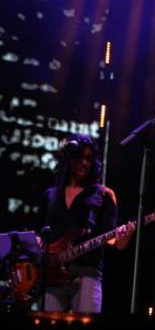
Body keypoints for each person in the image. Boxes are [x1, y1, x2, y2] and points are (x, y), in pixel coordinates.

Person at [36, 134, 135, 313]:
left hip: (86, 274)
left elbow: (111, 240)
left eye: (88, 158)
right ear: (68, 158)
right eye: (79, 157)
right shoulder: (50, 195)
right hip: (51, 276)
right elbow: (38, 233)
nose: (83, 163)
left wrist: (123, 239)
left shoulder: (103, 195)